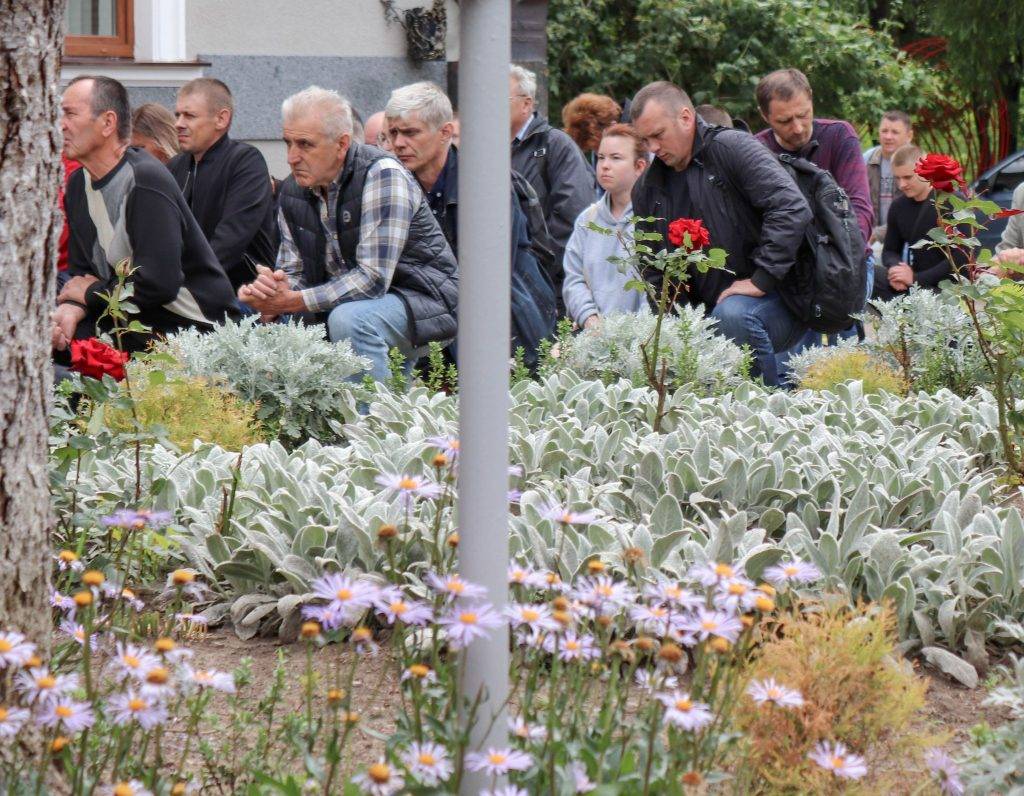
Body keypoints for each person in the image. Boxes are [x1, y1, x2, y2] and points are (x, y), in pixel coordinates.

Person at [237, 86, 458, 382]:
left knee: (351, 320)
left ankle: (364, 426)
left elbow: (372, 280)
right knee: (252, 316)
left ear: (341, 144)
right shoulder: (293, 190)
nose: (291, 157)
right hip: (364, 305)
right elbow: (294, 271)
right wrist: (274, 293)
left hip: (427, 299)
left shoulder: (382, 174)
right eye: (288, 142)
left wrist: (293, 300)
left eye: (305, 145)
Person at [629, 81, 812, 388]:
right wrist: (677, 325)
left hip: (779, 295)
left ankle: (763, 415)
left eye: (658, 135)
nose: (653, 149)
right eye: (645, 140)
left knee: (732, 317)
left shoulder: (732, 149)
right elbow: (653, 268)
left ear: (686, 118)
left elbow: (791, 207)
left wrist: (761, 278)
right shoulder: (647, 189)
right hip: (705, 309)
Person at [55, 75, 237, 354]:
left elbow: (158, 284)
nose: (61, 125)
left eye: (70, 114)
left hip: (191, 331)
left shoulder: (145, 180)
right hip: (129, 320)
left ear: (107, 123)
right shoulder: (79, 185)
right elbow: (83, 274)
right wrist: (72, 307)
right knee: (48, 341)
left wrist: (89, 295)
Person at [384, 81, 555, 366]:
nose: (399, 143)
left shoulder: (486, 182)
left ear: (445, 132)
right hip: (434, 329)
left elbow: (489, 275)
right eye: (393, 133)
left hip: (506, 331)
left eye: (411, 132)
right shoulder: (395, 187)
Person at [167, 78, 278, 291]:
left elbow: (229, 242)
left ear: (221, 119)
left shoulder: (245, 162)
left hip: (242, 296)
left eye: (189, 115)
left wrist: (180, 287)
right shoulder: (175, 167)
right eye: (177, 115)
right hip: (185, 289)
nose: (178, 124)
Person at [754, 69, 873, 249]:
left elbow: (859, 206)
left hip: (847, 254)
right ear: (764, 115)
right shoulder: (755, 151)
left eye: (803, 115)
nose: (798, 128)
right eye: (784, 121)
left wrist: (843, 254)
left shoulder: (839, 136)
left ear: (811, 98)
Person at [510, 64, 596, 313]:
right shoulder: (483, 148)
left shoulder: (554, 145)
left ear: (526, 104)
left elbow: (574, 214)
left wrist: (535, 268)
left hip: (544, 283)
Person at [562, 124, 648, 328]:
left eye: (616, 158)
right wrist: (589, 318)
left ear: (639, 167)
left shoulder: (653, 220)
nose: (605, 165)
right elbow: (573, 279)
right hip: (592, 337)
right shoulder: (587, 220)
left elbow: (656, 290)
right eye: (601, 157)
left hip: (641, 344)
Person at [873, 144, 965, 300]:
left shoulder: (952, 202)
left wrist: (916, 278)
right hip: (913, 284)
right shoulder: (898, 207)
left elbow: (962, 257)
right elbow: (889, 251)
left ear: (924, 172)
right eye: (897, 178)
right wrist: (896, 271)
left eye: (908, 177)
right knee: (868, 273)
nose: (902, 185)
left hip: (948, 288)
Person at [863, 111, 914, 246]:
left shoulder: (918, 163)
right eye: (884, 131)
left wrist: (877, 233)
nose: (888, 136)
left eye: (895, 132)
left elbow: (913, 210)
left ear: (909, 136)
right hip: (870, 238)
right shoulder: (867, 159)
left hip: (906, 240)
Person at [561, 93, 622, 164]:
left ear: (612, 127)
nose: (597, 153)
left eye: (597, 147)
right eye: (592, 149)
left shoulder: (635, 139)